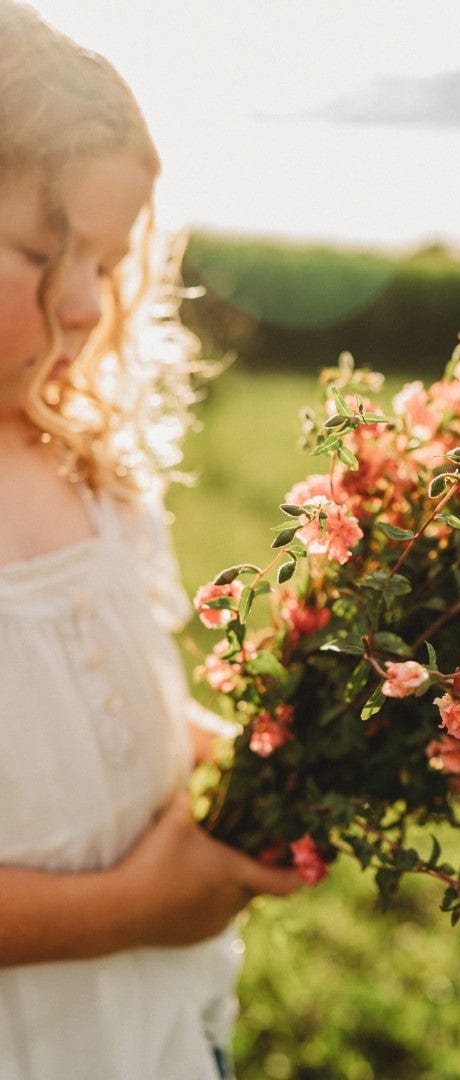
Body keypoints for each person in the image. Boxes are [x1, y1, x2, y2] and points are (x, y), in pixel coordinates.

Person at [0, 3, 302, 1077]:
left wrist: (247, 760)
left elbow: (94, 703)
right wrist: (136, 906)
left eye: (109, 261)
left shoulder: (84, 462)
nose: (86, 302)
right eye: (45, 252)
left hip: (156, 1034)